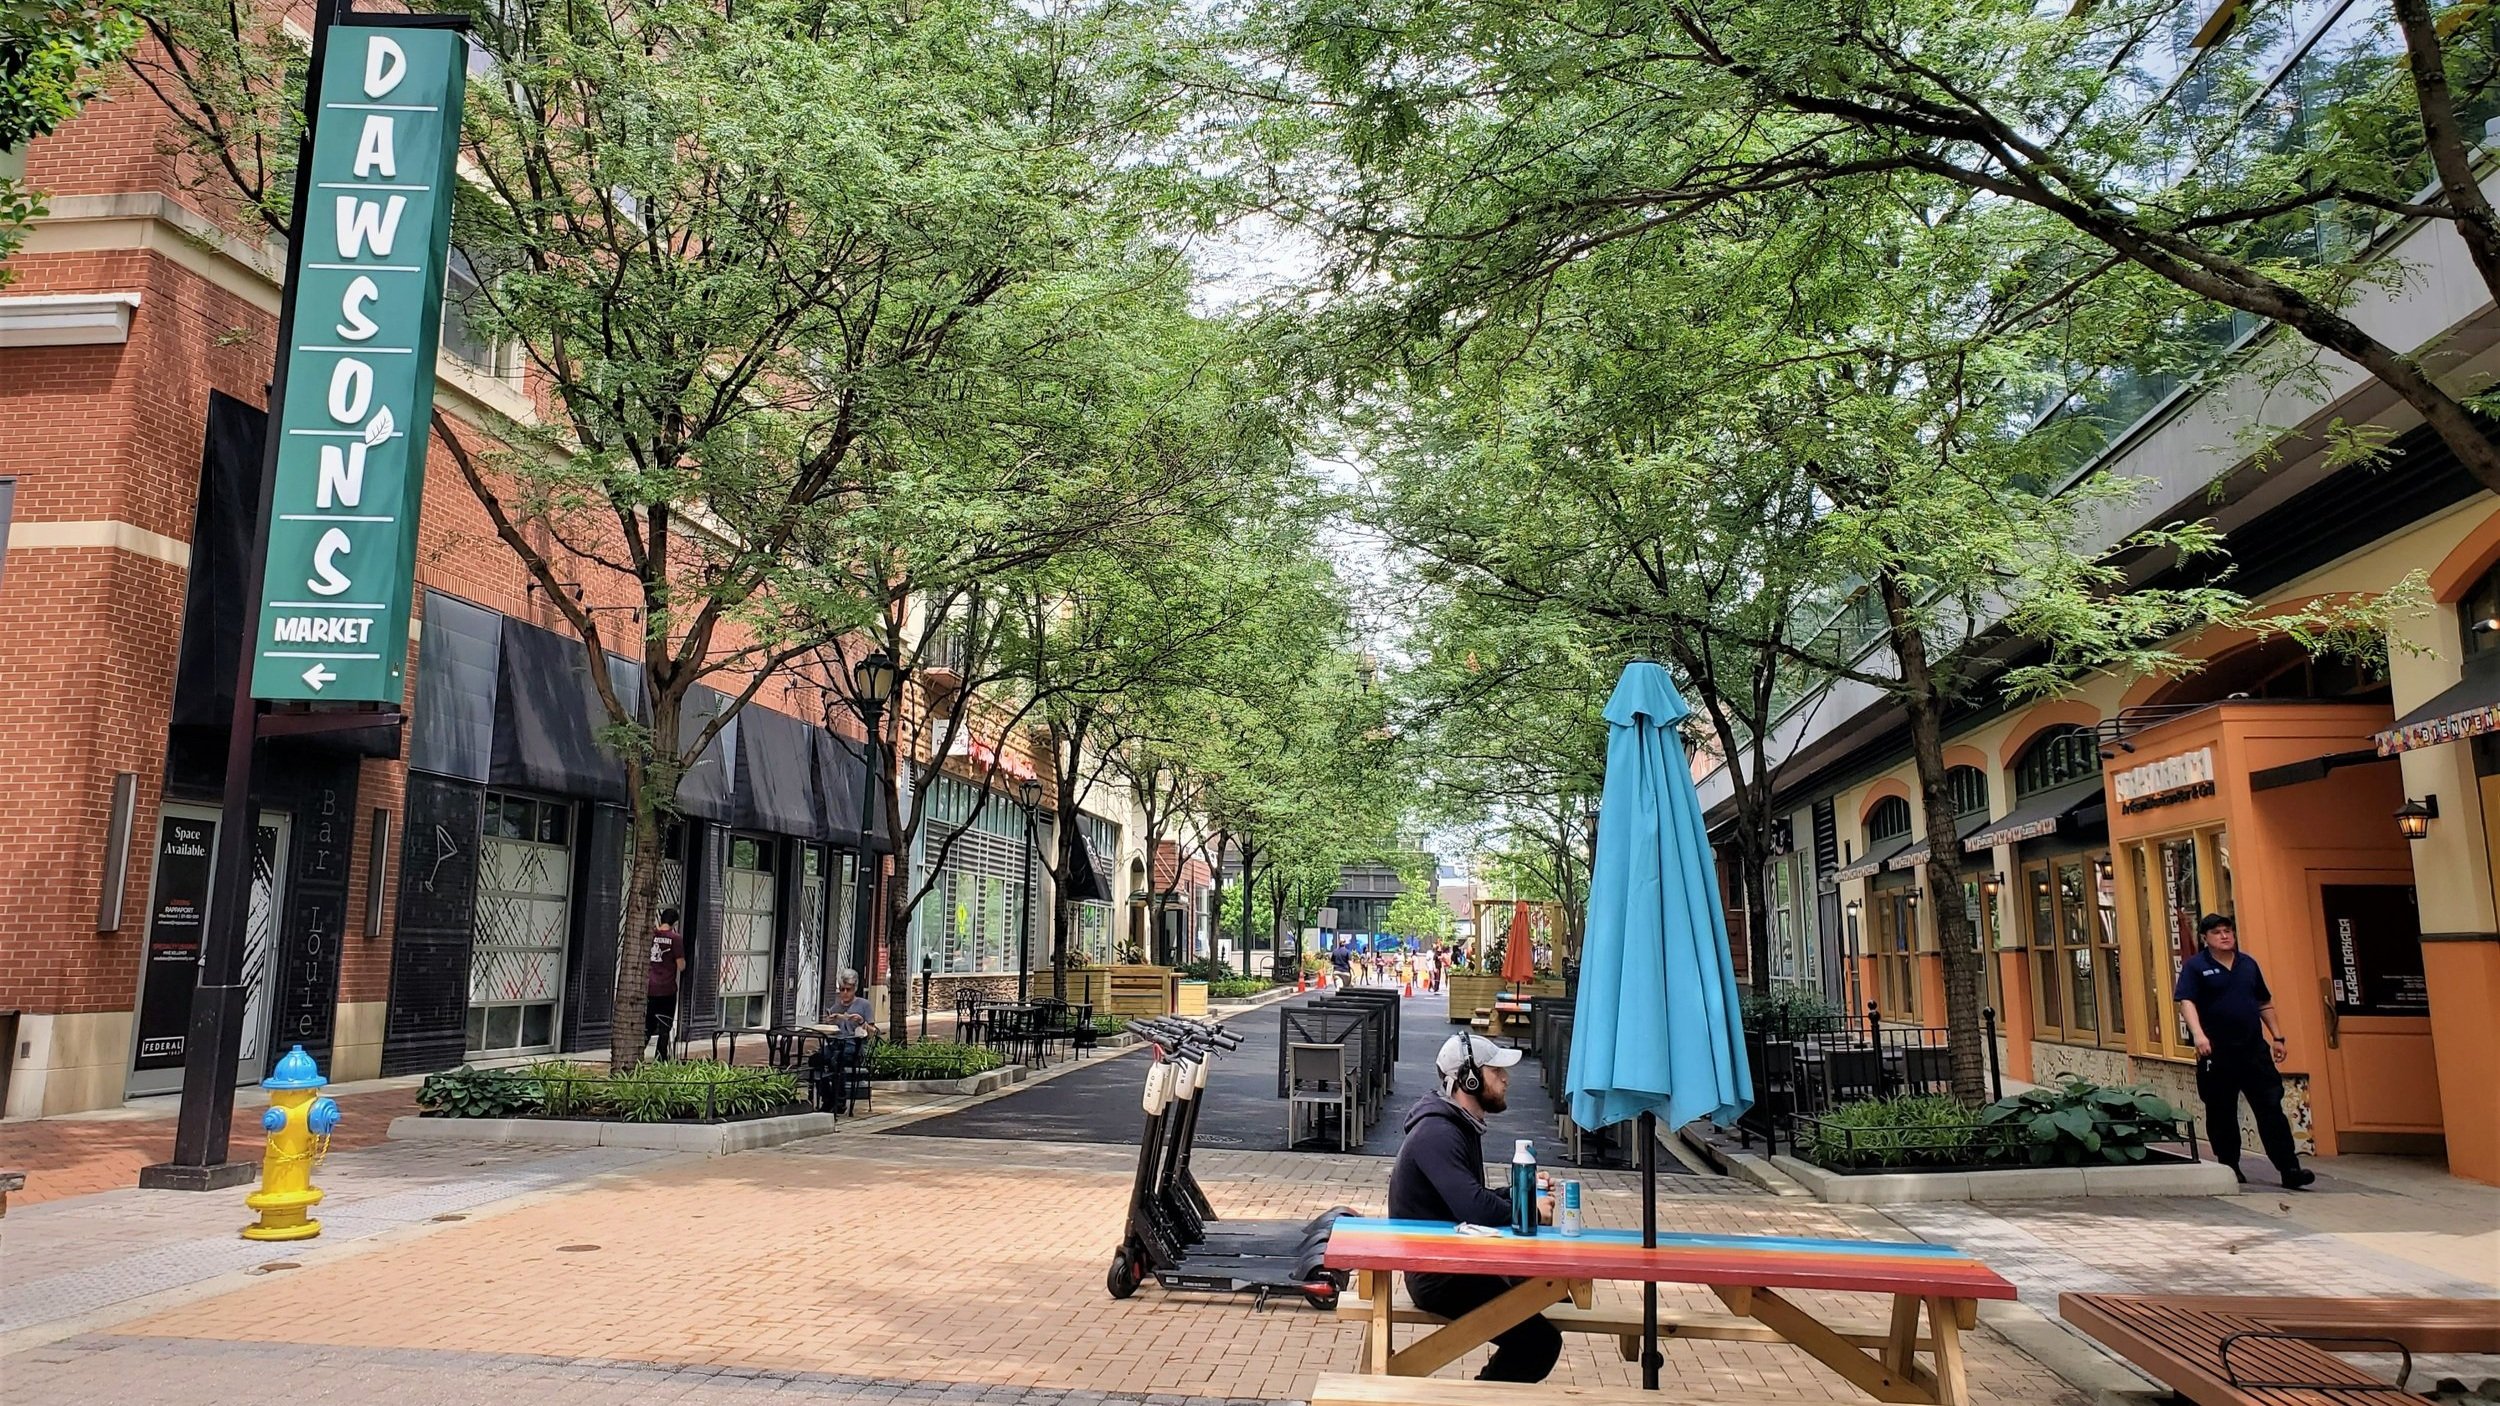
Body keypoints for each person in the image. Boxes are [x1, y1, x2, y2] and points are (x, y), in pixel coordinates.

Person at [1387, 1033, 1560, 1383]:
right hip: (1439, 1278)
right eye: (1496, 1071)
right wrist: (1529, 1209)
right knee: (1540, 1341)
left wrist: (1520, 1192)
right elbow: (1475, 1208)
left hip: (1454, 1265)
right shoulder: (1438, 1132)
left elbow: (1470, 1197)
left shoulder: (1455, 1126)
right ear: (1470, 1078)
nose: (1506, 1079)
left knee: (1538, 1300)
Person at [2175, 913, 2314, 1190]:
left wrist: (2278, 1036)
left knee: (2270, 1107)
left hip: (2253, 1050)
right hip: (2216, 1051)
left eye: (2228, 931)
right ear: (2205, 938)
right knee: (2222, 1110)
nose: (2225, 936)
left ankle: (2289, 1168)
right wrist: (2199, 1035)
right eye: (2217, 933)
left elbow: (2264, 1002)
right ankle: (2230, 1165)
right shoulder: (2196, 967)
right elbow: (2186, 1001)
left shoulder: (2248, 964)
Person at [646, 907, 686, 1060]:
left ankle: (637, 1055)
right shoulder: (675, 939)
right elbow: (681, 965)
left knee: (647, 1025)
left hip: (649, 988)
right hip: (667, 989)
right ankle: (661, 1058)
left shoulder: (651, 935)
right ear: (675, 922)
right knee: (665, 1025)